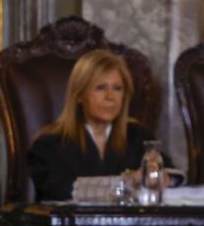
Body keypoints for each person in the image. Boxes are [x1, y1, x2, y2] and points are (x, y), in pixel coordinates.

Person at [25, 49, 153, 201]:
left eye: (117, 88)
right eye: (100, 88)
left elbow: (171, 176)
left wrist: (162, 177)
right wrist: (127, 184)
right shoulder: (48, 145)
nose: (110, 96)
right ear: (79, 95)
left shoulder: (139, 137)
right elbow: (65, 191)